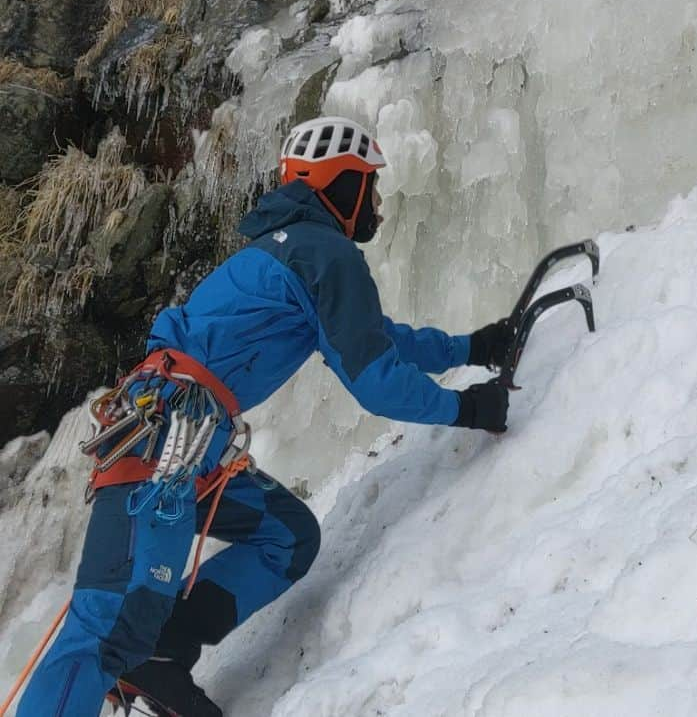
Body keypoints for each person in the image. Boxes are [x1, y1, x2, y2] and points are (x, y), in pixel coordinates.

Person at [17, 116, 512, 717]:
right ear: (343, 183)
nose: (377, 201)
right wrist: (468, 407)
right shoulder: (325, 253)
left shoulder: (284, 253)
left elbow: (376, 339)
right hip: (166, 440)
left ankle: (163, 657)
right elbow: (375, 380)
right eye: (370, 185)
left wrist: (470, 348)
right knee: (105, 621)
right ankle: (139, 655)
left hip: (179, 436)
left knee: (286, 534)